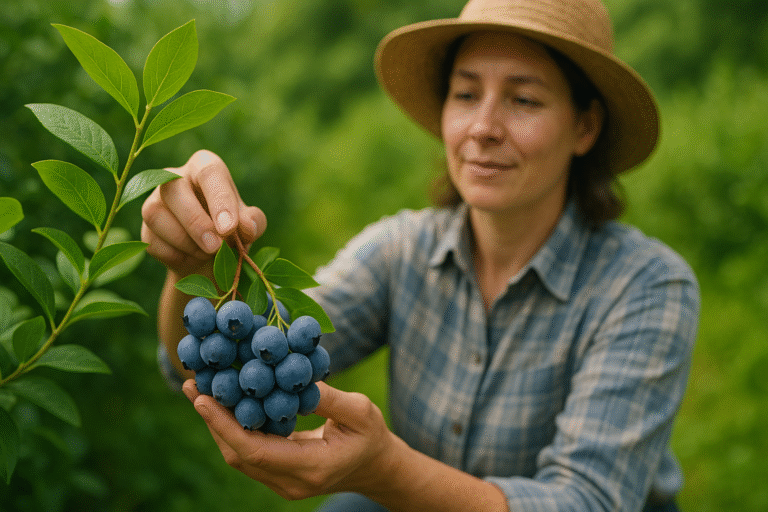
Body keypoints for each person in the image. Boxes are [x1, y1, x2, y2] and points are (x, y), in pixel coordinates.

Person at [141, 0, 700, 510]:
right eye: (465, 94)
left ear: (585, 126)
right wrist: (192, 267)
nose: (483, 128)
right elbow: (226, 361)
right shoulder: (401, 251)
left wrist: (384, 470)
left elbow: (588, 501)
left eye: (524, 99)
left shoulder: (646, 286)